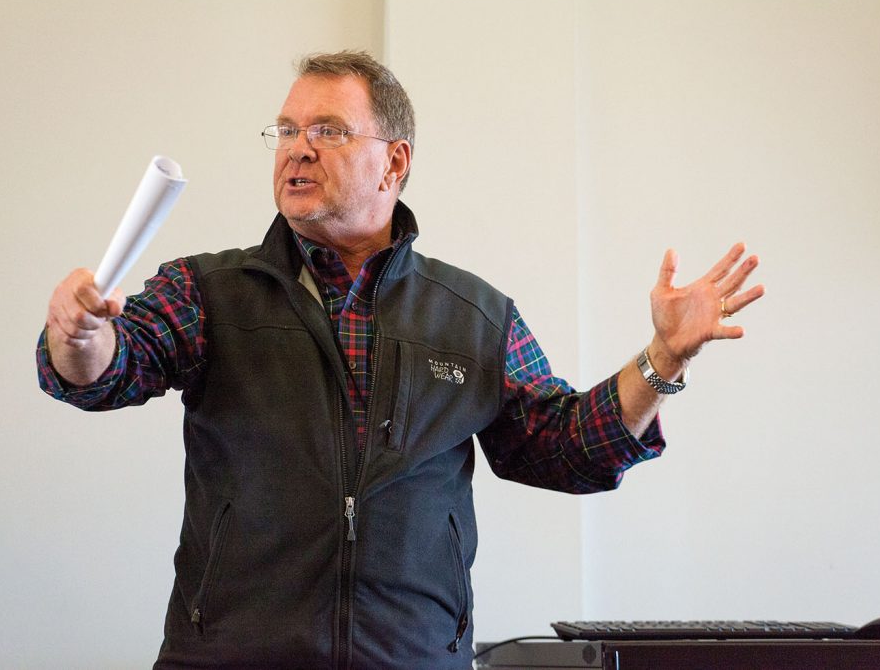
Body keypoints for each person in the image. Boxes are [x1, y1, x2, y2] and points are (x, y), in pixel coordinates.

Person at [37, 51, 764, 669]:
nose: (296, 147)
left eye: (327, 130)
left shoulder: (472, 315)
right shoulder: (208, 291)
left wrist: (664, 355)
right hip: (230, 654)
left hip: (412, 656)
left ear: (395, 162)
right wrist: (79, 337)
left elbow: (565, 447)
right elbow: (116, 363)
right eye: (286, 130)